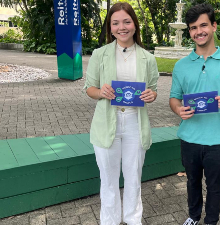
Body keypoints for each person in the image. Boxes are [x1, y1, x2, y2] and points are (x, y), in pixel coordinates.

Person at [83, 2, 159, 225]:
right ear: (110, 27)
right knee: (108, 179)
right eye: (115, 23)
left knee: (134, 178)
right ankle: (110, 221)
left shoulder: (148, 58)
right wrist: (101, 92)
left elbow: (153, 90)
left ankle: (134, 220)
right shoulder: (100, 54)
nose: (121, 27)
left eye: (127, 21)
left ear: (135, 24)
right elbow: (89, 88)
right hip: (108, 122)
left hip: (135, 122)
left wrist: (151, 96)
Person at [169, 3, 220, 225]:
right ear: (189, 31)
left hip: (217, 139)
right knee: (192, 182)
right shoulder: (181, 66)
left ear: (213, 26)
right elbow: (174, 98)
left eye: (203, 25)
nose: (198, 32)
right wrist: (178, 109)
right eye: (193, 28)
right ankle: (193, 217)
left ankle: (211, 221)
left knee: (214, 185)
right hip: (189, 137)